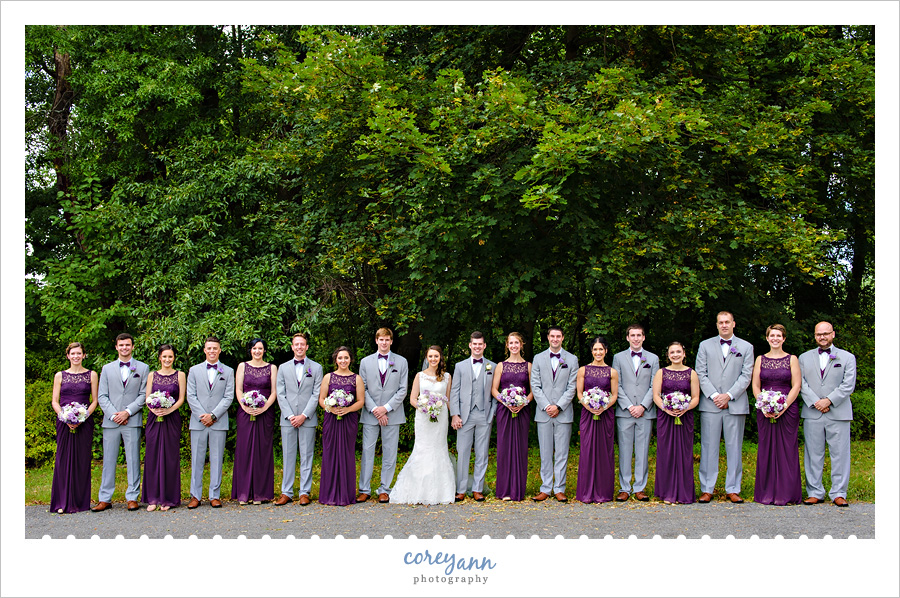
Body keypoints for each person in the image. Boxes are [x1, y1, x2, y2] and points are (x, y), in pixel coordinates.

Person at [695, 311, 754, 503]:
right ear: (717, 325)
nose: (724, 325)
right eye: (721, 322)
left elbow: (746, 375)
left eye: (727, 322)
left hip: (735, 404)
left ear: (734, 324)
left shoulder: (746, 347)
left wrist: (728, 396)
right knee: (708, 447)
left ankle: (733, 488)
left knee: (734, 447)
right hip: (710, 404)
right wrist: (714, 396)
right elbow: (700, 374)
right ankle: (707, 488)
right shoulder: (705, 345)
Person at [798, 321, 857, 507]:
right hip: (812, 411)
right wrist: (816, 401)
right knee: (813, 454)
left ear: (833, 334)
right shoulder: (804, 358)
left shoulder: (847, 358)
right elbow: (801, 383)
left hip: (838, 412)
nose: (822, 337)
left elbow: (848, 385)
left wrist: (829, 400)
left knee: (840, 454)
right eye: (818, 334)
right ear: (814, 336)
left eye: (825, 333)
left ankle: (839, 492)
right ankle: (815, 492)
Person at [390, 345, 456, 504]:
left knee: (439, 448)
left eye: (436, 356)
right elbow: (412, 398)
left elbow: (448, 399)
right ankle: (417, 490)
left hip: (440, 418)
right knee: (422, 448)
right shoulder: (420, 376)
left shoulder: (447, 377)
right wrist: (424, 407)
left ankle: (441, 492)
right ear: (426, 358)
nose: (433, 359)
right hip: (423, 418)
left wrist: (455, 416)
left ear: (440, 358)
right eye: (430, 356)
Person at [92, 333, 148, 512]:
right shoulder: (107, 369)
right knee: (108, 460)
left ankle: (132, 497)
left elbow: (143, 395)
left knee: (133, 459)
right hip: (111, 421)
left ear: (133, 347)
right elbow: (102, 395)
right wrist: (113, 415)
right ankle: (105, 498)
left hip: (131, 420)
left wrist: (127, 412)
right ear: (116, 347)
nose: (124, 347)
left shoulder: (143, 368)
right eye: (121, 345)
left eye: (127, 345)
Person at [751, 324, 802, 505]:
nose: (775, 338)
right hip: (764, 410)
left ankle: (787, 493)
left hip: (787, 410)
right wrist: (764, 405)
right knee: (767, 449)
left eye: (778, 336)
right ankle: (766, 493)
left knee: (787, 450)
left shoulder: (792, 359)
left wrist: (784, 406)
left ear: (784, 339)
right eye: (772, 335)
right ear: (767, 338)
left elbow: (796, 385)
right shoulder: (760, 359)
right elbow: (756, 386)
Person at [357, 327, 409, 503]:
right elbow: (362, 388)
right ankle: (364, 489)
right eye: (381, 339)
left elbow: (403, 390)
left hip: (392, 414)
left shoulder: (401, 362)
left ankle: (384, 489)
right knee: (367, 452)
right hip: (371, 414)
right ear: (376, 340)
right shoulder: (365, 362)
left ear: (391, 341)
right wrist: (375, 410)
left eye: (387, 340)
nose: (384, 342)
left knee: (390, 452)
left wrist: (385, 408)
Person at [530, 325, 579, 502]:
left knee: (562, 453)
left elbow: (572, 386)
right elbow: (535, 385)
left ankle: (559, 488)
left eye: (558, 336)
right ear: (548, 338)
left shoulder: (572, 359)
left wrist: (558, 406)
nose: (555, 339)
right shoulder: (538, 358)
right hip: (543, 413)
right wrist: (546, 406)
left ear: (563, 338)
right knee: (545, 451)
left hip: (563, 413)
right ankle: (545, 487)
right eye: (552, 336)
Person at [611, 324, 659, 502]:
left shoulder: (653, 358)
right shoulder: (618, 357)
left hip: (645, 412)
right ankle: (624, 487)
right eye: (633, 335)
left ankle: (640, 487)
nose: (636, 338)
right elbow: (617, 384)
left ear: (644, 337)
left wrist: (643, 406)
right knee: (624, 450)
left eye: (639, 335)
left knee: (642, 450)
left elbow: (655, 384)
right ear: (627, 338)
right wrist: (630, 406)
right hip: (625, 411)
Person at [185, 336, 235, 509]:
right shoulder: (194, 370)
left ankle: (215, 495)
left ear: (219, 350)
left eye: (215, 348)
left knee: (216, 458)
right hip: (198, 422)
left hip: (218, 422)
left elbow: (229, 396)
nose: (212, 351)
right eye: (209, 348)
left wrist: (213, 415)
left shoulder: (228, 371)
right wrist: (202, 415)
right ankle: (195, 496)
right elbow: (190, 395)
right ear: (204, 350)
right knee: (197, 459)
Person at [275, 333, 323, 506]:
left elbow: (316, 393)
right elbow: (280, 393)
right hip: (287, 419)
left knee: (306, 455)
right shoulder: (283, 367)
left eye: (302, 344)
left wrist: (303, 415)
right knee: (288, 456)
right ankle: (286, 492)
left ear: (307, 347)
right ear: (292, 347)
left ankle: (304, 492)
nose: (299, 347)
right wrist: (290, 415)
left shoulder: (316, 368)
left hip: (307, 419)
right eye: (296, 344)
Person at [50, 342, 99, 514]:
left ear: (84, 355)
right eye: (73, 353)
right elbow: (55, 401)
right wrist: (64, 416)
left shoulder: (91, 374)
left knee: (81, 459)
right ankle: (61, 501)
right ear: (68, 356)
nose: (76, 356)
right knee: (63, 459)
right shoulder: (60, 376)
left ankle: (79, 502)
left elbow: (95, 400)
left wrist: (83, 416)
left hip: (84, 422)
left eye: (79, 353)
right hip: (64, 422)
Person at [449, 331, 496, 502]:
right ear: (470, 345)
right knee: (463, 452)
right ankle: (461, 489)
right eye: (474, 344)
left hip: (484, 414)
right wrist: (455, 414)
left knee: (482, 453)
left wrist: (492, 414)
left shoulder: (493, 366)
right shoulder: (460, 366)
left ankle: (477, 488)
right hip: (464, 415)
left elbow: (495, 392)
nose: (477, 347)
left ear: (484, 346)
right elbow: (454, 392)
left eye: (480, 344)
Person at [652, 341, 700, 504]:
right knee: (666, 453)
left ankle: (683, 493)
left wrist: (685, 408)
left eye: (678, 352)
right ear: (668, 355)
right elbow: (656, 396)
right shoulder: (661, 373)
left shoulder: (691, 373)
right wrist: (666, 408)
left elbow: (695, 397)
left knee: (684, 454)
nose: (675, 355)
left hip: (684, 417)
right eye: (672, 352)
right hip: (666, 417)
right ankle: (667, 493)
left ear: (684, 354)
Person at [232, 338, 278, 505]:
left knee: (262, 451)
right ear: (250, 350)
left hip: (265, 413)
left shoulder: (272, 368)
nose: (257, 351)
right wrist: (244, 406)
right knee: (244, 450)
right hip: (245, 412)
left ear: (264, 350)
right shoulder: (243, 366)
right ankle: (244, 493)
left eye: (260, 348)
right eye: (254, 348)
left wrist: (264, 407)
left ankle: (260, 493)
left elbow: (274, 392)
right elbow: (238, 389)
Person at [318, 346, 365, 506]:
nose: (343, 361)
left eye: (346, 358)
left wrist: (347, 409)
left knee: (346, 454)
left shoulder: (356, 378)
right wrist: (330, 408)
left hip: (348, 420)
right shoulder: (328, 377)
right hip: (331, 419)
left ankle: (346, 494)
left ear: (350, 359)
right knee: (330, 454)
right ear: (335, 360)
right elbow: (321, 399)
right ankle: (328, 495)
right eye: (340, 358)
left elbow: (360, 401)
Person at [142, 344, 186, 511]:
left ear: (174, 358)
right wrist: (155, 410)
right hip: (154, 418)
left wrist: (168, 410)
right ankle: (152, 498)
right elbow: (147, 398)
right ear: (159, 357)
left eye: (170, 357)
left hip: (172, 418)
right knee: (152, 456)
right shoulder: (152, 375)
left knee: (169, 456)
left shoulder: (180, 375)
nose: (167, 360)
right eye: (164, 356)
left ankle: (168, 498)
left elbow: (181, 398)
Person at [575, 337, 619, 503]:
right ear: (591, 351)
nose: (598, 352)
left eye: (601, 349)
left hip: (605, 414)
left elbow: (614, 395)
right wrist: (588, 406)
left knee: (604, 451)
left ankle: (603, 492)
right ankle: (586, 492)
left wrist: (604, 407)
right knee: (587, 450)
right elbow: (579, 393)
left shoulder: (612, 372)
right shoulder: (583, 370)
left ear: (606, 351)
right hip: (588, 413)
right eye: (595, 349)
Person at [491, 332, 534, 501]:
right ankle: (504, 490)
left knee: (520, 448)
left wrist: (524, 402)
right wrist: (505, 401)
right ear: (507, 346)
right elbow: (494, 389)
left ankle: (518, 490)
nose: (514, 345)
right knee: (504, 448)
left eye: (517, 342)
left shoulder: (528, 366)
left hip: (522, 411)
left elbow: (532, 391)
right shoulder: (501, 366)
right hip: (504, 410)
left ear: (521, 345)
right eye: (511, 343)